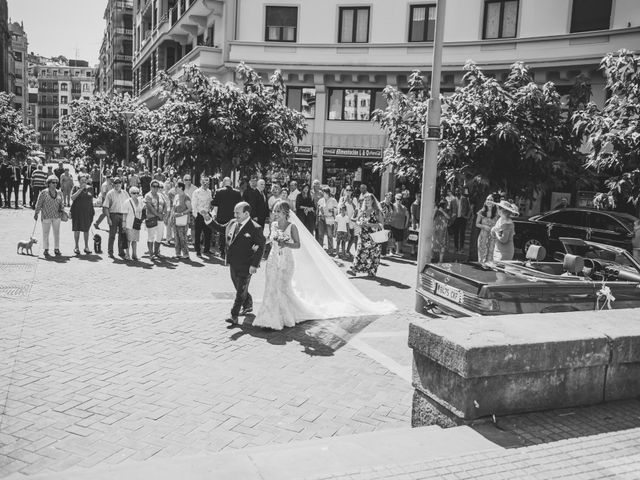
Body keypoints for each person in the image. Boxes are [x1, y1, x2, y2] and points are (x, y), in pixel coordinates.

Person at [254, 200, 395, 330]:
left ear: (285, 213)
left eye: (278, 211)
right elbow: (269, 239)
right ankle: (268, 317)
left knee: (282, 287)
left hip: (286, 261)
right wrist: (259, 244)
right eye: (274, 211)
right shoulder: (273, 225)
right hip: (273, 260)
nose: (275, 214)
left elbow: (297, 245)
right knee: (271, 286)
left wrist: (285, 243)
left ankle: (284, 316)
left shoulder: (292, 227)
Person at [220, 202, 266, 324]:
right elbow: (221, 228)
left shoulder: (255, 228)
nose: (235, 215)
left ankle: (233, 315)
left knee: (240, 290)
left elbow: (261, 247)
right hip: (233, 263)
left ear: (246, 213)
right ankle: (248, 303)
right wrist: (208, 219)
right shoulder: (232, 223)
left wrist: (254, 265)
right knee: (238, 286)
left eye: (237, 213)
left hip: (247, 264)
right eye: (234, 212)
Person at [349, 193, 384, 277]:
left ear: (372, 201)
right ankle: (354, 269)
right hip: (363, 236)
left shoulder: (376, 211)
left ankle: (371, 271)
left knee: (373, 255)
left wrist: (369, 225)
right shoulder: (363, 211)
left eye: (369, 200)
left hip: (374, 237)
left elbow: (381, 224)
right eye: (366, 200)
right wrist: (360, 223)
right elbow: (356, 220)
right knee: (360, 251)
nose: (367, 201)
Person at [34, 175, 65, 257]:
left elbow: (62, 203)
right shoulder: (44, 192)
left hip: (56, 216)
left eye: (56, 182)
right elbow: (39, 204)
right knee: (45, 233)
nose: (55, 184)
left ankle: (56, 248)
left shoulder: (59, 192)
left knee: (56, 233)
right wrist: (36, 213)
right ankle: (46, 249)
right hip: (46, 216)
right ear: (49, 183)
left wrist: (62, 211)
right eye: (53, 182)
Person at [102, 177, 130, 259]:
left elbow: (129, 204)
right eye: (116, 183)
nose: (117, 184)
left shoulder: (125, 193)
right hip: (113, 215)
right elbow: (106, 207)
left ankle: (121, 252)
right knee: (112, 234)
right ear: (113, 184)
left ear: (121, 184)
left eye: (119, 183)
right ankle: (110, 252)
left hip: (123, 215)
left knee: (122, 235)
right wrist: (108, 218)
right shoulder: (110, 193)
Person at [70, 174, 95, 255]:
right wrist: (80, 190)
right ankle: (76, 247)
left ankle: (86, 247)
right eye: (82, 180)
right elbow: (72, 198)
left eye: (85, 180)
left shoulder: (90, 188)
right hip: (77, 211)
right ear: (79, 181)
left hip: (87, 212)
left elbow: (90, 198)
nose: (84, 182)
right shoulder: (75, 188)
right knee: (76, 229)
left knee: (86, 230)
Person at [191, 176, 213, 257]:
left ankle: (207, 249)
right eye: (204, 182)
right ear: (201, 182)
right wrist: (196, 215)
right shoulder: (196, 192)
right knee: (198, 234)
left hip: (207, 215)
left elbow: (210, 202)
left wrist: (210, 213)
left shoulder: (209, 192)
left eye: (207, 182)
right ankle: (198, 251)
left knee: (208, 233)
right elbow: (193, 204)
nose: (205, 183)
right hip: (199, 215)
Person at [144, 179, 166, 260]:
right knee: (151, 236)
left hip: (160, 219)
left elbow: (165, 204)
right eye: (154, 186)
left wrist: (163, 213)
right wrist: (158, 214)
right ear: (151, 187)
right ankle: (151, 254)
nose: (156, 188)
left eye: (157, 186)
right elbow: (149, 207)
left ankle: (157, 252)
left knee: (159, 236)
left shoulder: (160, 195)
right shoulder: (148, 195)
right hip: (151, 218)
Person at [476, 194, 499, 263]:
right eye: (488, 199)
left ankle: (489, 265)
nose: (489, 201)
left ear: (494, 202)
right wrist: (484, 226)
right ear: (485, 201)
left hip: (492, 236)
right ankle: (482, 265)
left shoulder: (497, 213)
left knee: (491, 252)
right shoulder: (481, 212)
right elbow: (477, 224)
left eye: (491, 200)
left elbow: (499, 223)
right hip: (483, 236)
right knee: (482, 252)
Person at [172, 181, 192, 260]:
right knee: (176, 237)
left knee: (182, 237)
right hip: (175, 220)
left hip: (183, 220)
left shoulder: (186, 196)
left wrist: (181, 214)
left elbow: (190, 208)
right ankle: (178, 253)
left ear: (181, 188)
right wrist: (173, 214)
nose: (175, 188)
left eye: (176, 187)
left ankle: (186, 254)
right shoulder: (176, 196)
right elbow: (173, 207)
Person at [124, 186, 144, 261]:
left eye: (137, 193)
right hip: (129, 223)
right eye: (134, 193)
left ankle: (134, 254)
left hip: (137, 222)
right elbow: (124, 214)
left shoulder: (140, 201)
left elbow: (142, 210)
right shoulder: (127, 202)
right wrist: (123, 223)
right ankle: (127, 255)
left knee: (135, 240)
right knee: (128, 240)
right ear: (130, 194)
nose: (136, 194)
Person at [317, 186, 338, 255]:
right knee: (320, 234)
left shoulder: (333, 200)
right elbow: (318, 209)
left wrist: (332, 210)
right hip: (321, 218)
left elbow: (337, 209)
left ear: (328, 193)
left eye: (326, 192)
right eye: (323, 192)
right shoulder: (320, 200)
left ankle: (330, 249)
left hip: (329, 218)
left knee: (330, 234)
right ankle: (320, 248)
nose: (324, 194)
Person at [338, 185, 358, 256]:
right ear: (345, 190)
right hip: (344, 221)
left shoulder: (354, 199)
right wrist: (345, 201)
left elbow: (356, 209)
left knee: (352, 237)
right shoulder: (342, 198)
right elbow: (339, 208)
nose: (348, 191)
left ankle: (348, 250)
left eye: (350, 190)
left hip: (351, 221)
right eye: (347, 190)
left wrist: (351, 202)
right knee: (343, 237)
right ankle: (343, 252)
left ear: (352, 191)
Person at [451, 188, 472, 253]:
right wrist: (452, 216)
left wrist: (467, 216)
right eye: (456, 191)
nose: (457, 192)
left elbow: (469, 209)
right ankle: (456, 247)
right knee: (456, 233)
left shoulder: (465, 199)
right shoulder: (453, 200)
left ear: (461, 191)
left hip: (463, 218)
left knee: (462, 233)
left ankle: (461, 248)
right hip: (455, 219)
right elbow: (451, 210)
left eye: (459, 191)